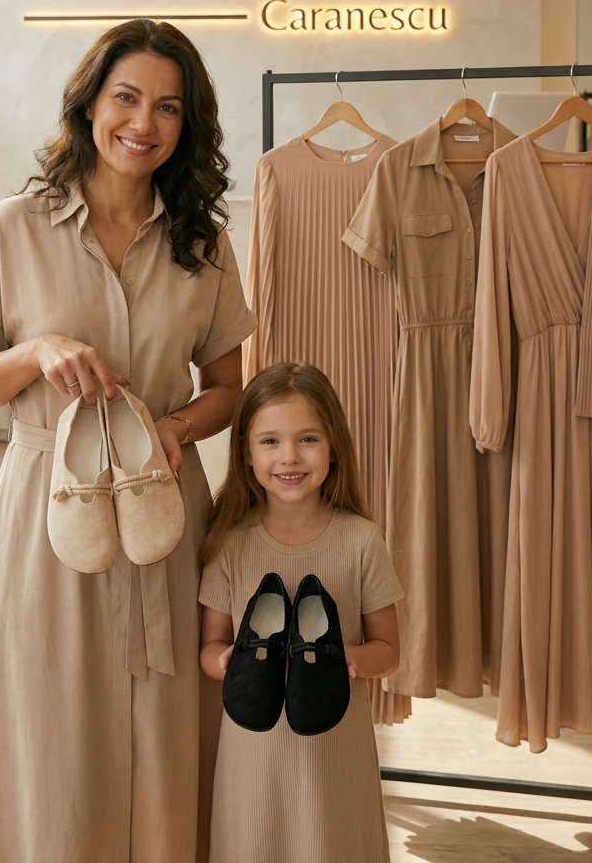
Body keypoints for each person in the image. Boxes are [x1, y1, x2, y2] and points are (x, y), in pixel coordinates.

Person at [0, 19, 255, 863]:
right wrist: (33, 352)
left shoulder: (203, 243)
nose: (143, 124)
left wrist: (177, 427)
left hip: (164, 510)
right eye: (126, 98)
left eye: (168, 108)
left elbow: (227, 389)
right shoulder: (13, 227)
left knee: (165, 722)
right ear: (88, 105)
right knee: (51, 727)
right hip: (46, 515)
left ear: (187, 125)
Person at [199, 362, 403, 863]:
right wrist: (227, 661)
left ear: (333, 447)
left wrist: (338, 659)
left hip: (335, 752)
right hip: (253, 755)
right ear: (246, 454)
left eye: (308, 439)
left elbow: (388, 651)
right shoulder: (230, 543)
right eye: (270, 441)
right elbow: (210, 646)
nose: (289, 456)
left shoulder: (361, 540)